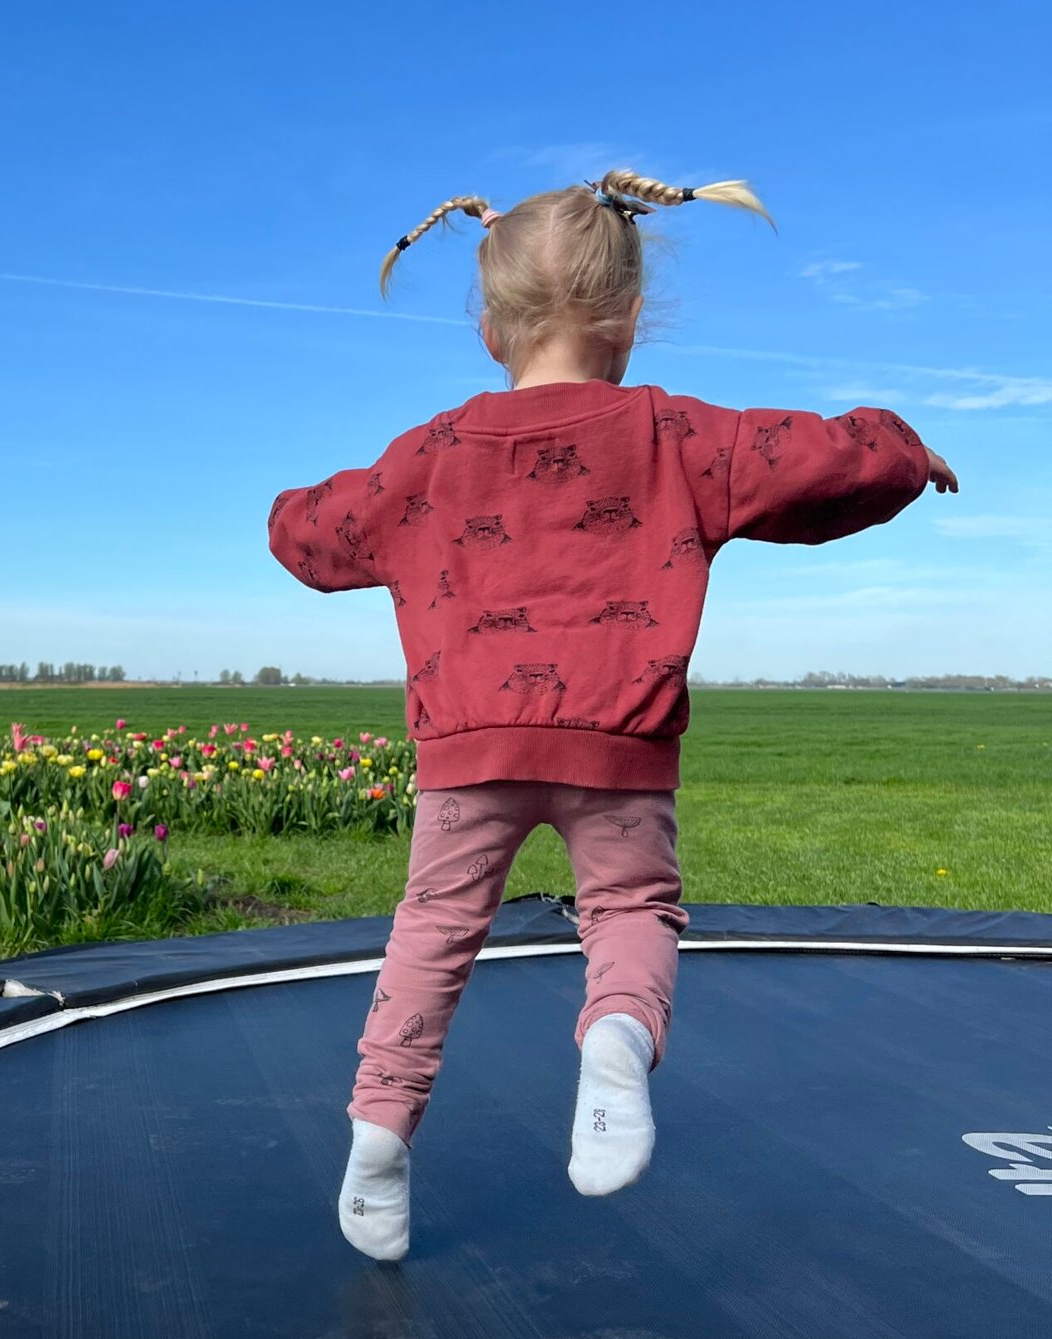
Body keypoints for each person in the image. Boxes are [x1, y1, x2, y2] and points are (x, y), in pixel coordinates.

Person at [268, 168, 958, 1262]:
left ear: (490, 330)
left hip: (467, 753)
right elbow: (830, 463)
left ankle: (376, 1137)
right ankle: (617, 1043)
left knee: (433, 936)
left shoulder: (428, 458)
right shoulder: (681, 435)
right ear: (632, 319)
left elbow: (312, 534)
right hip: (620, 747)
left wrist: (284, 513)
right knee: (630, 907)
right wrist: (905, 449)